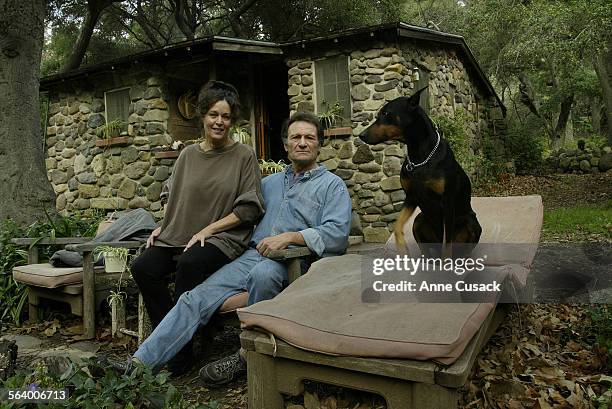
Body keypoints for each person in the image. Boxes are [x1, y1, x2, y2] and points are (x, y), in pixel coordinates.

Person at [114, 111, 352, 384]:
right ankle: (139, 364)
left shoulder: (332, 186)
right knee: (194, 298)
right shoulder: (268, 183)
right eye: (295, 137)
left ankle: (244, 356)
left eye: (309, 138)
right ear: (285, 144)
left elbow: (336, 235)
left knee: (263, 275)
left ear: (319, 144)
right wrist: (168, 227)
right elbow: (231, 213)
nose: (301, 142)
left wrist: (291, 237)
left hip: (294, 263)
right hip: (250, 256)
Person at [130, 80, 264, 374]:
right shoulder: (188, 155)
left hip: (224, 237)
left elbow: (249, 208)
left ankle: (180, 353)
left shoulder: (244, 155)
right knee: (143, 268)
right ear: (202, 116)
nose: (219, 122)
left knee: (190, 264)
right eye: (214, 115)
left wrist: (208, 230)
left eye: (226, 116)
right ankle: (175, 338)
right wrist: (162, 226)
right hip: (180, 233)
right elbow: (175, 196)